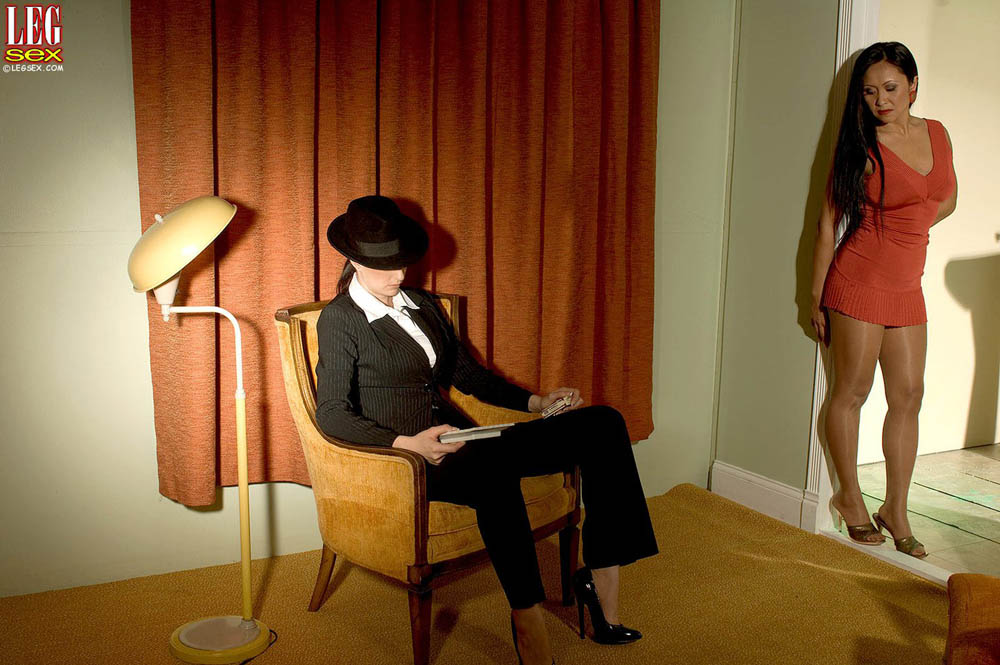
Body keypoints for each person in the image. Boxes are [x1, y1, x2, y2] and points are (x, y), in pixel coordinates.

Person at [315, 195, 658, 665]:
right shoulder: (341, 320)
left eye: (402, 262)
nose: (398, 274)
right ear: (354, 260)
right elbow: (331, 413)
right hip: (411, 461)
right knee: (494, 472)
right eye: (385, 265)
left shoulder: (421, 304)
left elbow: (470, 377)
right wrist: (408, 444)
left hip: (465, 442)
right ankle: (527, 617)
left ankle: (599, 580)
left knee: (603, 424)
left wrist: (537, 402)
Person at [811, 42, 957, 558]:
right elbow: (828, 222)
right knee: (852, 392)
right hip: (858, 280)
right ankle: (849, 498)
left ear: (913, 86)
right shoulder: (861, 145)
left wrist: (908, 227)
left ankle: (895, 507)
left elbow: (945, 198)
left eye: (891, 88)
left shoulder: (937, 133)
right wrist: (815, 295)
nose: (881, 100)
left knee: (909, 393)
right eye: (870, 91)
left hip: (906, 284)